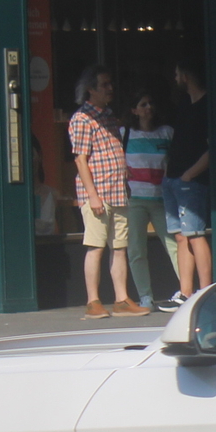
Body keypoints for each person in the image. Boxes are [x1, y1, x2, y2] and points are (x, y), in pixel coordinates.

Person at [70, 67, 146, 318]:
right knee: (95, 246)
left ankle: (121, 298)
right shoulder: (82, 119)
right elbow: (81, 160)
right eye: (104, 85)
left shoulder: (110, 117)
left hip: (117, 191)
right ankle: (93, 300)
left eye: (110, 83)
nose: (109, 88)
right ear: (91, 89)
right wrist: (92, 195)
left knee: (119, 246)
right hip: (99, 192)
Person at [119, 88, 173, 310]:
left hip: (162, 198)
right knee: (136, 250)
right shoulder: (125, 133)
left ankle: (187, 291)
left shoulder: (167, 133)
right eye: (143, 104)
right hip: (135, 200)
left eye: (150, 103)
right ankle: (145, 296)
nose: (148, 108)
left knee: (174, 244)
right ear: (134, 110)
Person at [164, 60, 213, 301]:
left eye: (176, 73)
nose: (175, 78)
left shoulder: (207, 104)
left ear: (186, 74)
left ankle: (205, 291)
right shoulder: (184, 103)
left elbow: (212, 147)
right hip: (173, 178)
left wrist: (191, 173)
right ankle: (185, 292)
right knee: (181, 236)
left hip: (191, 179)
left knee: (195, 233)